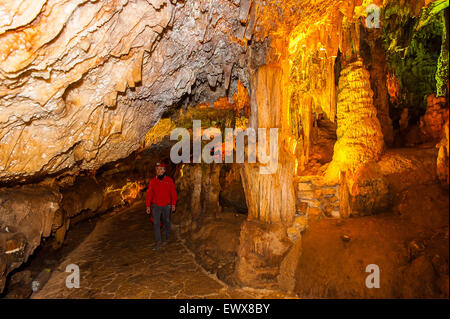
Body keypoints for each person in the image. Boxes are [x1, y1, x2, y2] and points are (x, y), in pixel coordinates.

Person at [145, 162, 177, 251]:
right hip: (156, 206)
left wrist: (173, 203)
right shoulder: (153, 181)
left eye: (160, 169)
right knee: (156, 224)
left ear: (164, 170)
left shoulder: (169, 180)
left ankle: (167, 237)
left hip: (167, 205)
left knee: (167, 221)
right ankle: (158, 242)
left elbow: (173, 193)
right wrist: (148, 206)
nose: (158, 171)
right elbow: (149, 194)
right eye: (157, 169)